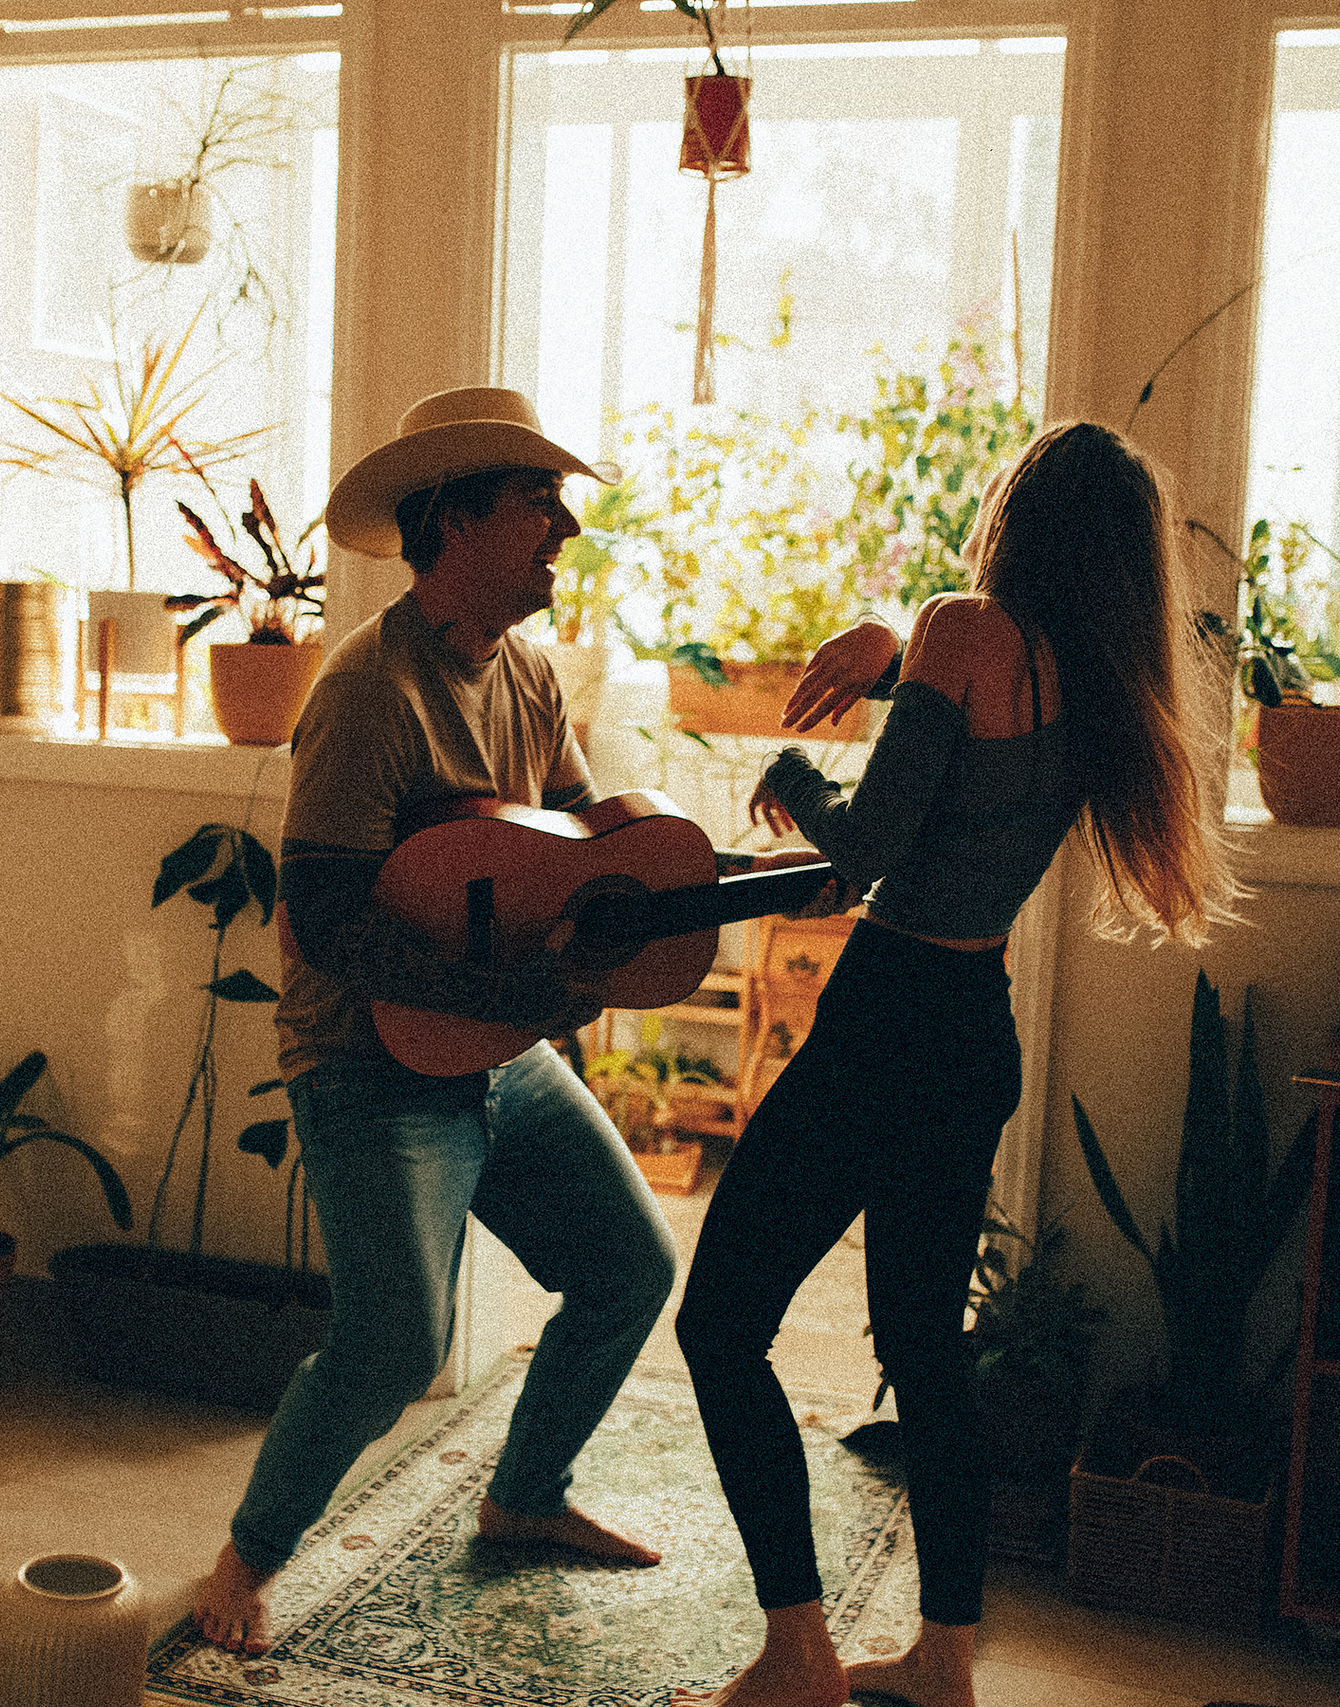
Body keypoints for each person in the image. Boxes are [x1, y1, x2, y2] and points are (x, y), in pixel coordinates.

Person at [191, 386, 827, 1655]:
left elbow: (588, 850)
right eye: (541, 503)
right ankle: (243, 1565)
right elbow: (321, 918)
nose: (565, 531)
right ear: (457, 517)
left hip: (498, 1050)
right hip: (371, 1061)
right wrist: (505, 995)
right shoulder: (367, 691)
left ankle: (523, 1496)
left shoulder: (529, 673)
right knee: (392, 1340)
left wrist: (671, 898)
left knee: (632, 1270)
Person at [672, 420, 1238, 1707]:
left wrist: (787, 773)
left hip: (882, 1021)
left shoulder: (962, 626)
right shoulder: (1099, 683)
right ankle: (945, 1661)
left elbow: (862, 853)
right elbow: (973, 761)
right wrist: (883, 666)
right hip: (974, 1029)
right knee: (925, 1351)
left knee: (718, 1325)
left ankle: (796, 1653)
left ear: (1014, 517)